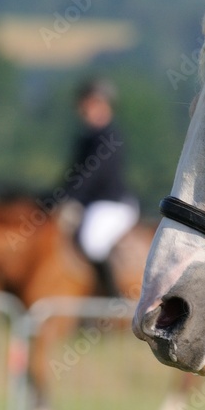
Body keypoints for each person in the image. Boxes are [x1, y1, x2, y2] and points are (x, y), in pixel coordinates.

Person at [59, 79, 139, 295]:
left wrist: (70, 198)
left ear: (104, 105)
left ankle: (110, 299)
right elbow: (73, 175)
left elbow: (91, 176)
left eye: (91, 103)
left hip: (110, 204)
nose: (84, 109)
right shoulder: (85, 139)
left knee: (91, 242)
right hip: (90, 203)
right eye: (84, 104)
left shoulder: (110, 137)